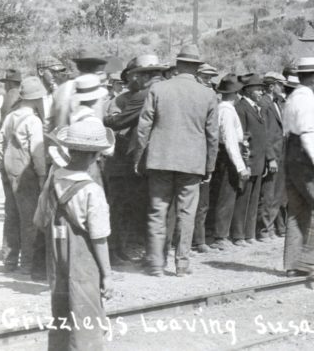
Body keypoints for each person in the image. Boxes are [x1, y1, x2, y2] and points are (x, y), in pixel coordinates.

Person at [135, 45, 219, 277]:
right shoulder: (208, 94)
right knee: (186, 214)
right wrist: (209, 166)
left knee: (157, 211)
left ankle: (156, 264)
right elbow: (213, 136)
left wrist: (140, 157)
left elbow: (143, 128)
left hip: (160, 160)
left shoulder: (159, 89)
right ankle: (181, 264)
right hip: (192, 163)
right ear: (197, 67)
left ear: (177, 65)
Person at [35, 115, 114, 350]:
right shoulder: (92, 191)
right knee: (86, 314)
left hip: (57, 258)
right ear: (94, 155)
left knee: (60, 311)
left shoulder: (53, 178)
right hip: (84, 261)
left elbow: (39, 220)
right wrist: (107, 275)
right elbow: (99, 238)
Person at [103, 54, 166, 262]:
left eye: (131, 76)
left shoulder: (144, 95)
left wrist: (99, 118)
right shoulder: (165, 90)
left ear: (141, 75)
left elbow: (117, 122)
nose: (129, 81)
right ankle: (146, 251)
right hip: (151, 160)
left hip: (134, 160)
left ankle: (123, 250)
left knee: (126, 206)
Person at [280, 57, 314, 277]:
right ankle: (309, 260)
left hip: (292, 155)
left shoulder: (293, 98)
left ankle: (292, 263)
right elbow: (308, 134)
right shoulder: (307, 100)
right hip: (307, 156)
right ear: (313, 78)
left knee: (298, 210)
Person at [0, 76, 47, 278]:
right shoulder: (33, 120)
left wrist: (3, 162)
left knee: (11, 215)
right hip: (26, 173)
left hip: (8, 169)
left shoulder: (11, 116)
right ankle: (28, 263)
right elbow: (37, 151)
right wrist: (41, 175)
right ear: (36, 98)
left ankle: (9, 260)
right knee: (29, 219)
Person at [231, 75, 274, 245]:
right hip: (249, 160)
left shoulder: (258, 108)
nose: (260, 91)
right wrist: (245, 162)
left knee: (254, 198)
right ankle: (238, 234)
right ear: (248, 90)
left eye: (261, 88)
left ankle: (249, 234)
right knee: (243, 198)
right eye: (257, 89)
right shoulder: (241, 108)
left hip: (259, 160)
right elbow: (243, 137)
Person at [209, 75, 250, 250]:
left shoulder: (227, 109)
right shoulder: (226, 110)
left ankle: (221, 234)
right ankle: (220, 236)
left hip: (229, 152)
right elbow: (230, 140)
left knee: (228, 194)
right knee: (226, 195)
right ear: (234, 93)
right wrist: (240, 166)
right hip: (227, 155)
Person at [256, 72, 286, 241]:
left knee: (276, 194)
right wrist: (271, 157)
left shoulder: (275, 103)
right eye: (280, 85)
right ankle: (264, 229)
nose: (282, 88)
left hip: (280, 153)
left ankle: (270, 226)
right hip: (273, 155)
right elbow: (265, 133)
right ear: (271, 86)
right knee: (268, 194)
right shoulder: (265, 104)